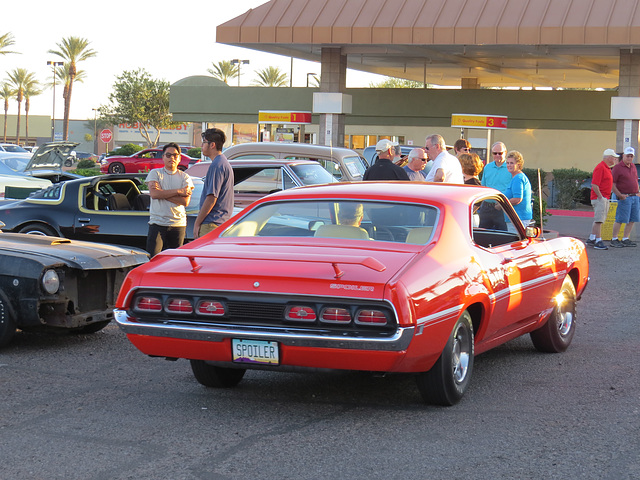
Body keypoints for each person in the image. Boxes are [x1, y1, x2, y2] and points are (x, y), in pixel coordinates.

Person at [145, 143, 194, 256]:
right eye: (168, 155)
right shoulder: (155, 173)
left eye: (175, 155)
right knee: (153, 259)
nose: (172, 158)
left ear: (179, 158)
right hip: (157, 223)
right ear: (163, 157)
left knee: (175, 261)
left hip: (178, 224)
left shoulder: (185, 177)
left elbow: (185, 202)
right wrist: (179, 191)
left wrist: (162, 193)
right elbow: (154, 194)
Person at [194, 128, 235, 239]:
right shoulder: (223, 163)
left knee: (205, 256)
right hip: (220, 222)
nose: (202, 146)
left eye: (204, 142)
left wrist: (197, 223)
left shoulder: (217, 165)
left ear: (212, 145)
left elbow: (212, 197)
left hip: (211, 223)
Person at [586, 149, 618, 250]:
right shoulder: (600, 168)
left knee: (598, 218)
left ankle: (592, 238)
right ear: (608, 157)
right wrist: (600, 197)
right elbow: (595, 185)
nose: (615, 159)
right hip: (600, 197)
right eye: (613, 157)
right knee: (599, 220)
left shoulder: (606, 168)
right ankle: (598, 240)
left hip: (604, 197)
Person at [610, 146, 639, 247]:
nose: (629, 158)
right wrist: (619, 195)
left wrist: (638, 192)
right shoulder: (617, 168)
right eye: (628, 156)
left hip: (634, 197)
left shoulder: (633, 166)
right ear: (623, 156)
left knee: (632, 219)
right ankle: (614, 238)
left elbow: (635, 180)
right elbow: (612, 184)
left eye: (631, 156)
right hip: (624, 197)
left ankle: (625, 238)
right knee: (621, 219)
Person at [479, 141, 511, 230]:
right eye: (494, 153)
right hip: (487, 206)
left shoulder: (510, 168)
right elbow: (483, 186)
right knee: (483, 233)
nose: (497, 155)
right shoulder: (487, 167)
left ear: (505, 153)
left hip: (502, 206)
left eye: (500, 153)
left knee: (503, 234)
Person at [504, 150, 532, 231]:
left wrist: (502, 204)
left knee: (515, 242)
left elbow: (517, 199)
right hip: (516, 218)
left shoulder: (518, 178)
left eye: (512, 163)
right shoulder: (517, 177)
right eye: (507, 163)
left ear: (518, 165)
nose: (509, 165)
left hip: (518, 218)